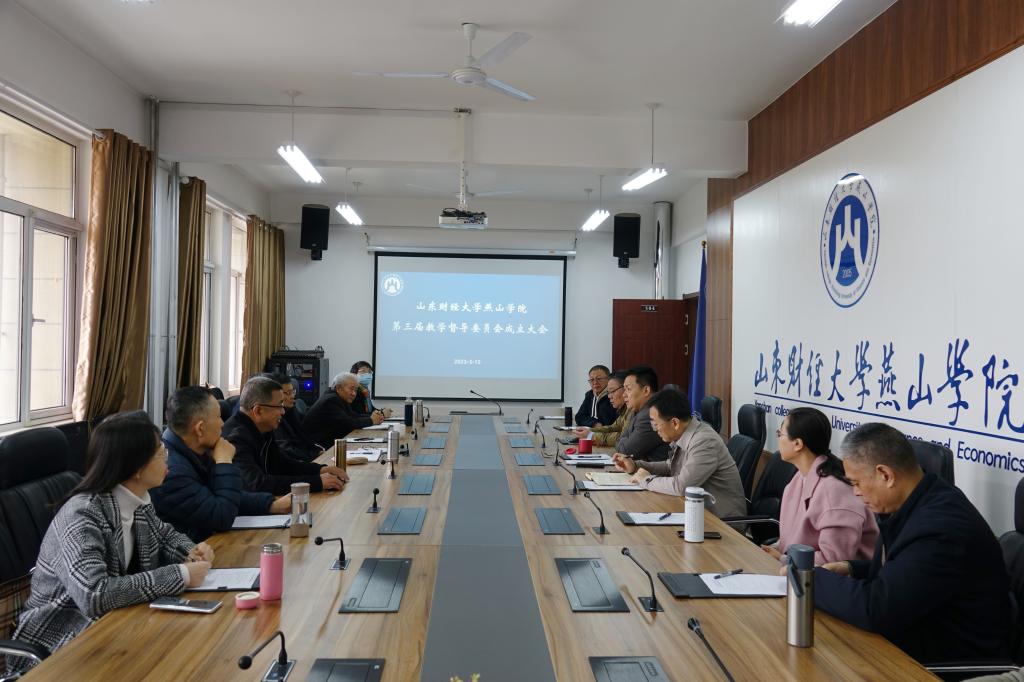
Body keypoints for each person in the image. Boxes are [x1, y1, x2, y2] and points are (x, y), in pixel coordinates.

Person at [8, 413, 212, 674]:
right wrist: (181, 574)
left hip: (113, 627)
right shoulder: (82, 515)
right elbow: (94, 594)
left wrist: (191, 551)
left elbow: (165, 536)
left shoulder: (136, 500)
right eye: (161, 453)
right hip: (60, 641)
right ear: (136, 467)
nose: (167, 459)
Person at [814, 423, 1011, 665]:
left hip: (944, 665)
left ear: (886, 475)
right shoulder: (920, 499)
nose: (855, 492)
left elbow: (877, 610)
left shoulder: (940, 529)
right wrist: (851, 568)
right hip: (913, 639)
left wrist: (812, 579)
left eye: (856, 483)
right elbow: (906, 569)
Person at [152, 386, 292, 541]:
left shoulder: (193, 450)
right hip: (195, 551)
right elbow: (222, 517)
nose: (222, 424)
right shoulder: (171, 472)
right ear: (200, 429)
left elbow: (226, 494)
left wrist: (270, 504)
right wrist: (224, 462)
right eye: (218, 417)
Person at [761, 408, 877, 567]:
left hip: (836, 580)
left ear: (798, 444)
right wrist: (776, 550)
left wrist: (784, 559)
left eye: (780, 434)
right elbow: (794, 537)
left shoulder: (834, 491)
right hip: (799, 571)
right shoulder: (801, 476)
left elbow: (834, 562)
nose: (778, 439)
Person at [613, 389, 745, 518]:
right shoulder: (686, 433)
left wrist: (646, 480)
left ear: (675, 423)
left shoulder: (704, 441)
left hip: (722, 522)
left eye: (656, 425)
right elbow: (671, 466)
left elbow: (682, 486)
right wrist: (635, 465)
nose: (655, 430)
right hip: (697, 513)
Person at [223, 376, 348, 495]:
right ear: (258, 411)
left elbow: (282, 464)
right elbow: (257, 484)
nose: (283, 412)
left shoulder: (263, 427)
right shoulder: (236, 437)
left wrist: (320, 470)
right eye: (279, 406)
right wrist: (316, 482)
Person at [302, 372, 385, 449]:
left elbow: (353, 415)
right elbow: (348, 424)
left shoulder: (339, 398)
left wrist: (374, 416)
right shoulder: (330, 400)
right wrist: (371, 420)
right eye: (351, 389)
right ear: (338, 388)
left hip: (331, 442)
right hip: (319, 448)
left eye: (356, 390)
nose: (354, 393)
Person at [613, 366, 670, 462]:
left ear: (646, 390)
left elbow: (626, 451)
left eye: (628, 389)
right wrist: (623, 440)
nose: (624, 394)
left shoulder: (650, 415)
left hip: (654, 470)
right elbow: (621, 441)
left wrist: (623, 440)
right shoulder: (637, 410)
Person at [264, 372, 322, 462]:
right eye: (288, 393)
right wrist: (313, 456)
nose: (292, 396)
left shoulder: (291, 409)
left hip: (304, 457)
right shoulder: (272, 416)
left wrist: (317, 451)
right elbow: (286, 449)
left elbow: (304, 436)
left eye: (293, 392)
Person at [574, 372, 631, 447]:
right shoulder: (625, 410)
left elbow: (622, 437)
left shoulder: (633, 410)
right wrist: (590, 431)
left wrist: (591, 436)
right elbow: (613, 427)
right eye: (608, 392)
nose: (609, 396)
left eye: (612, 391)